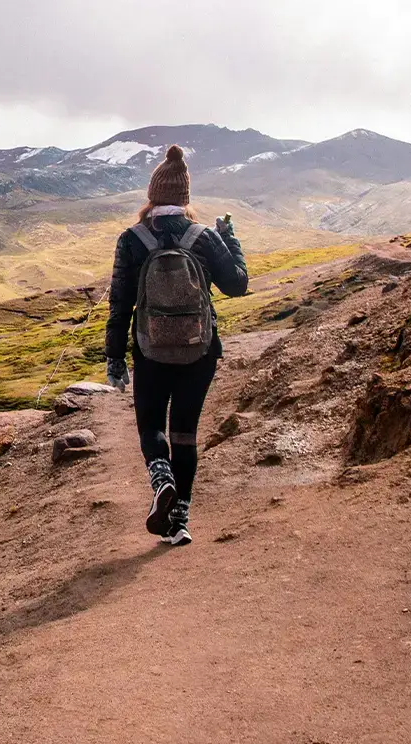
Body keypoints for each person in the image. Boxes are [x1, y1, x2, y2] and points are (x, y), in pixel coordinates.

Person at [104, 145, 248, 547]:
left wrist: (115, 358)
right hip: (199, 352)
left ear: (152, 195)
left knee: (151, 427)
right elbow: (238, 285)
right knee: (185, 433)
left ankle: (161, 478)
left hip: (150, 353)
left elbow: (120, 304)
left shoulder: (132, 239)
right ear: (185, 198)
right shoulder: (202, 237)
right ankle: (179, 521)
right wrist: (229, 239)